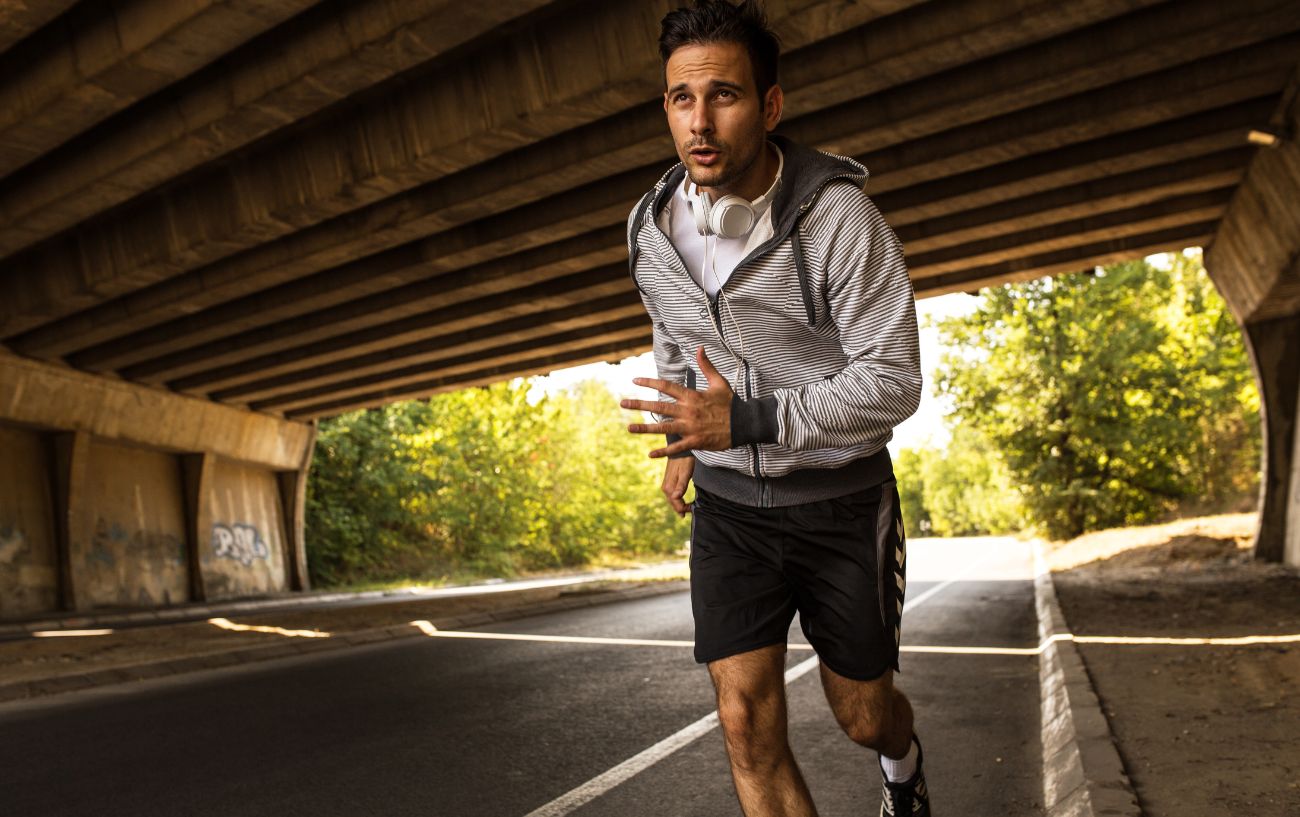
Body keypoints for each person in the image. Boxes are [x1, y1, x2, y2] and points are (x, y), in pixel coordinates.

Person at [619, 2, 929, 815]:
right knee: (744, 720)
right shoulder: (650, 229)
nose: (701, 121)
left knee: (864, 716)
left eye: (723, 95)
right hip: (730, 512)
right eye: (683, 99)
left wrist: (749, 420)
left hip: (840, 500)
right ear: (666, 108)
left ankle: (902, 766)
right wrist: (690, 430)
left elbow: (894, 380)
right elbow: (672, 325)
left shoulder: (841, 222)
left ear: (771, 106)